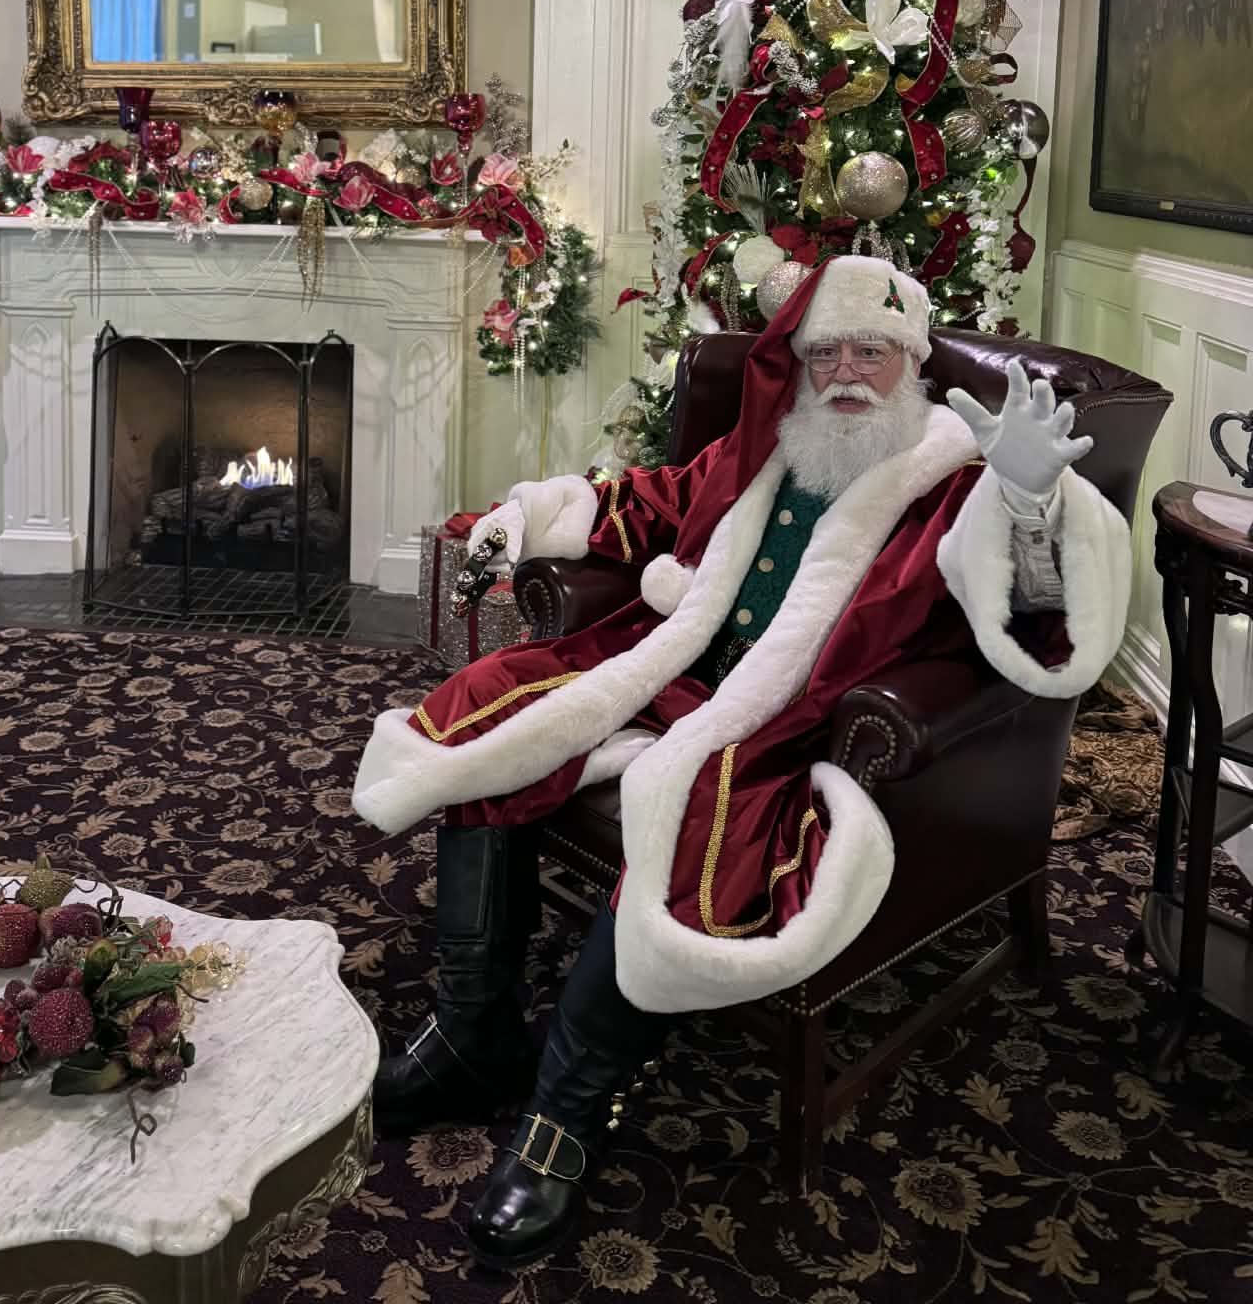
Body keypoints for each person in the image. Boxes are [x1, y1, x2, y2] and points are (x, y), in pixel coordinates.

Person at [352, 256, 1131, 1271]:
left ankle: (566, 1115)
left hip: (783, 726)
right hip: (676, 676)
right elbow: (653, 499)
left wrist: (1030, 500)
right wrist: (529, 516)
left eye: (875, 351)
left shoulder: (952, 478)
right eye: (828, 351)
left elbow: (1031, 617)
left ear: (914, 360)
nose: (848, 371)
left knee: (695, 834)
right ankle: (471, 1029)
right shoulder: (770, 450)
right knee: (490, 710)